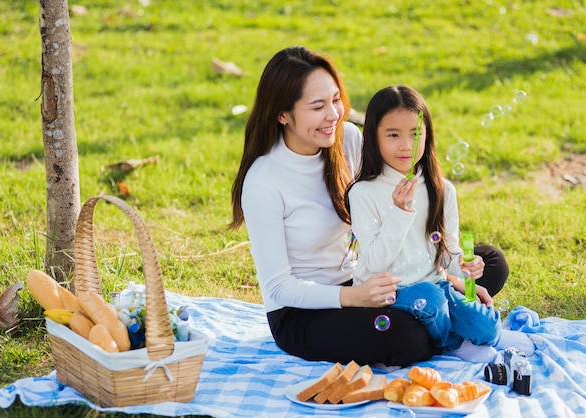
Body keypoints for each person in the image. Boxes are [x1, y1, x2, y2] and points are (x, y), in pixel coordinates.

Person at [229, 46, 438, 367]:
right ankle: (442, 318)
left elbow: (389, 213)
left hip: (360, 278)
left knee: (490, 262)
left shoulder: (349, 140)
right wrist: (355, 298)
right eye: (317, 106)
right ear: (283, 114)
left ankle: (443, 304)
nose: (334, 114)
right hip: (302, 312)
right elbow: (280, 288)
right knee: (407, 338)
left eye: (335, 100)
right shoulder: (263, 182)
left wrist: (443, 270)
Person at [345, 85, 534, 361]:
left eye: (415, 134)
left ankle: (490, 334)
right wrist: (399, 213)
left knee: (481, 321)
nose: (406, 145)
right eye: (393, 134)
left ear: (427, 135)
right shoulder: (363, 193)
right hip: (386, 295)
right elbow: (374, 263)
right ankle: (457, 343)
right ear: (373, 137)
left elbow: (445, 250)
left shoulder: (441, 189)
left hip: (436, 284)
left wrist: (463, 264)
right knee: (430, 298)